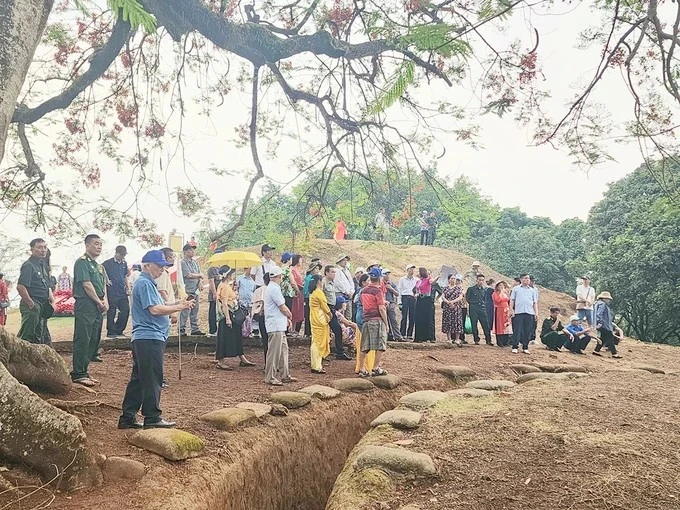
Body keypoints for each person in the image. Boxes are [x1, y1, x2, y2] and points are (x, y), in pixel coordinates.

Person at [118, 250, 195, 429]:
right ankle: (152, 417)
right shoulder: (144, 283)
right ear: (147, 265)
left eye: (164, 267)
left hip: (146, 337)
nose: (162, 269)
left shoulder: (148, 284)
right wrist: (179, 307)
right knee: (153, 376)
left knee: (139, 378)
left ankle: (127, 417)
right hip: (149, 336)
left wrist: (179, 304)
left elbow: (160, 305)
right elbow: (154, 309)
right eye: (159, 266)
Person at [71, 234, 108, 386]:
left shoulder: (100, 267)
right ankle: (78, 373)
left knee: (94, 339)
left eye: (100, 244)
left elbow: (104, 285)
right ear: (87, 245)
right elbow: (86, 284)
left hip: (98, 305)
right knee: (83, 338)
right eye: (95, 244)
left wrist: (105, 301)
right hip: (86, 304)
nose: (99, 247)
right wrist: (98, 301)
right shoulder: (82, 263)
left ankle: (84, 371)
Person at [215, 265, 254, 370]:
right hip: (228, 315)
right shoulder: (224, 286)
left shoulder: (226, 285)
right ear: (227, 275)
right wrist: (227, 318)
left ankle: (241, 357)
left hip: (231, 313)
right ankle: (221, 361)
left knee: (237, 335)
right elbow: (224, 303)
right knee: (224, 337)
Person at [16, 238, 54, 345]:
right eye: (39, 247)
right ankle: (19, 360)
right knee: (27, 337)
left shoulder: (42, 265)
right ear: (32, 249)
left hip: (43, 304)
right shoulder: (28, 265)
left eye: (45, 247)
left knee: (39, 337)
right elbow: (20, 286)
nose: (43, 250)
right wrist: (30, 303)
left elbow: (46, 286)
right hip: (33, 304)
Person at [264, 266, 297, 386]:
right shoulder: (274, 289)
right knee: (274, 352)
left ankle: (285, 374)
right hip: (275, 325)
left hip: (279, 325)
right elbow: (282, 306)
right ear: (279, 277)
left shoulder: (272, 288)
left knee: (283, 351)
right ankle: (270, 376)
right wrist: (289, 315)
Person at [357, 268, 389, 377]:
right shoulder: (378, 291)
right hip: (376, 320)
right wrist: (386, 323)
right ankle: (375, 367)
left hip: (366, 319)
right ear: (379, 278)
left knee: (364, 346)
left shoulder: (364, 290)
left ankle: (362, 369)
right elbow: (381, 308)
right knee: (380, 344)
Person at [323, 265, 351, 360]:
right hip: (326, 309)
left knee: (338, 329)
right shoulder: (323, 282)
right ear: (326, 272)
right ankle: (327, 352)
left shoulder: (331, 282)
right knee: (327, 330)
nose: (334, 274)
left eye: (335, 272)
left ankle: (340, 352)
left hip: (331, 308)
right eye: (332, 272)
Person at [103, 245, 130, 339]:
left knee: (125, 310)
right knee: (112, 311)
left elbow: (125, 276)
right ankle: (111, 331)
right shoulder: (107, 263)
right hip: (112, 291)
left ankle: (119, 330)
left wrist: (128, 287)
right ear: (116, 253)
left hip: (122, 290)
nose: (123, 256)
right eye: (121, 254)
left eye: (124, 255)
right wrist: (106, 280)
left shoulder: (124, 263)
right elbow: (101, 273)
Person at [509, 273, 538, 354]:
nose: (527, 280)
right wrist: (510, 310)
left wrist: (536, 313)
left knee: (527, 330)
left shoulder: (532, 290)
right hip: (518, 312)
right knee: (517, 329)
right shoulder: (516, 289)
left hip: (529, 312)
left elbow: (535, 302)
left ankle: (525, 346)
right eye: (525, 278)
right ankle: (515, 346)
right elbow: (512, 300)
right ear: (521, 279)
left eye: (528, 278)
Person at [179, 243, 204, 336]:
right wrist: (199, 275)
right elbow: (188, 275)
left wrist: (200, 280)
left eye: (193, 250)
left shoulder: (195, 262)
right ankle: (181, 329)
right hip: (187, 290)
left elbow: (200, 274)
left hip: (196, 289)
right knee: (186, 309)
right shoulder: (183, 262)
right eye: (190, 250)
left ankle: (195, 328)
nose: (193, 252)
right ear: (185, 252)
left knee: (195, 309)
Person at [309, 274, 331, 374]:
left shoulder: (312, 293)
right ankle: (317, 366)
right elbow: (324, 306)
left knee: (315, 340)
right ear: (319, 282)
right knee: (319, 342)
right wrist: (330, 314)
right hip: (319, 318)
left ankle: (316, 364)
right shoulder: (319, 292)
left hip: (313, 317)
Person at [592, 291, 622, 359]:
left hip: (601, 324)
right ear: (604, 298)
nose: (609, 300)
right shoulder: (602, 304)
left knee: (603, 338)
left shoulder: (597, 303)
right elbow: (599, 314)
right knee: (610, 337)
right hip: (604, 324)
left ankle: (596, 351)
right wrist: (600, 322)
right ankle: (614, 353)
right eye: (608, 299)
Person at [466, 274, 493, 345]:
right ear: (476, 280)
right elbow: (468, 299)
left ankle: (488, 340)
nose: (481, 281)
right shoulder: (471, 289)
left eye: (482, 280)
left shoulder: (484, 290)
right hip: (473, 307)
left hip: (482, 308)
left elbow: (485, 299)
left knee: (485, 324)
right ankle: (476, 340)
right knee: (474, 324)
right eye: (479, 280)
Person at [441, 274, 465, 346]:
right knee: (447, 321)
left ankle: (457, 339)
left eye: (454, 278)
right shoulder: (445, 288)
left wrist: (453, 302)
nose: (453, 280)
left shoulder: (458, 288)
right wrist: (448, 302)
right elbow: (443, 296)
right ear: (449, 280)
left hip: (456, 307)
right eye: (452, 278)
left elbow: (460, 297)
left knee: (457, 322)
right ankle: (449, 339)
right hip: (447, 307)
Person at [381, 269, 403, 341]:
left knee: (393, 320)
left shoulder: (391, 284)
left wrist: (391, 288)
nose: (387, 275)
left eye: (388, 274)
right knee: (384, 320)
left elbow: (397, 293)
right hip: (382, 303)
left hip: (390, 303)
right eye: (385, 274)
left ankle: (397, 336)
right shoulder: (380, 283)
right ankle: (388, 336)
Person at [414, 267, 435, 342]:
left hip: (426, 299)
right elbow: (417, 290)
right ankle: (419, 337)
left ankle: (427, 337)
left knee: (426, 317)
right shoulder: (418, 281)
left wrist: (437, 278)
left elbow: (432, 282)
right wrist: (416, 294)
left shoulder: (428, 279)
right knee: (419, 318)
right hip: (420, 299)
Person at [398, 264, 418, 340]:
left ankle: (409, 333)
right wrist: (399, 302)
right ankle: (402, 333)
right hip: (405, 297)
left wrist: (416, 294)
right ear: (407, 270)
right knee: (404, 316)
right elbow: (399, 290)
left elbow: (418, 289)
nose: (411, 271)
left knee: (412, 316)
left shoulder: (416, 280)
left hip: (413, 297)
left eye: (412, 269)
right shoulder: (402, 279)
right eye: (410, 269)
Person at [303, 261, 322, 338]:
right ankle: (308, 332)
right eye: (315, 268)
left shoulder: (314, 277)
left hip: (311, 297)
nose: (317, 270)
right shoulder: (309, 278)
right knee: (308, 315)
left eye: (318, 268)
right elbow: (306, 289)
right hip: (309, 297)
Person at [491, 281, 513, 347]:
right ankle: (500, 342)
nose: (501, 287)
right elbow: (497, 300)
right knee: (500, 325)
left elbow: (508, 299)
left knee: (506, 325)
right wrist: (501, 293)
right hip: (499, 310)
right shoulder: (495, 293)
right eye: (500, 285)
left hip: (506, 310)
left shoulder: (505, 292)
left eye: (502, 285)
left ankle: (506, 341)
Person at [333, 254, 355, 321]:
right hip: (340, 294)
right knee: (341, 314)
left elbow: (351, 282)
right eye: (343, 260)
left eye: (346, 260)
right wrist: (347, 292)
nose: (345, 262)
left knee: (348, 315)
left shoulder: (347, 271)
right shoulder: (337, 271)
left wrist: (352, 291)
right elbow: (339, 283)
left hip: (348, 295)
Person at [236, 267, 256, 336]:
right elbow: (236, 288)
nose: (250, 270)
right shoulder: (239, 279)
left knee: (249, 317)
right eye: (249, 269)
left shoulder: (253, 281)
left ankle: (249, 331)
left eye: (251, 269)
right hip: (242, 302)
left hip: (250, 302)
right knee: (241, 316)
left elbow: (253, 291)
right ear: (245, 269)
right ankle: (241, 331)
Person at [290, 255, 305, 334]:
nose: (301, 262)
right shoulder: (292, 270)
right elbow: (294, 282)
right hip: (295, 293)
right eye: (300, 260)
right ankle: (291, 329)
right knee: (294, 310)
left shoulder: (297, 270)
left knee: (297, 310)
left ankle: (294, 329)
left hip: (299, 293)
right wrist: (298, 289)